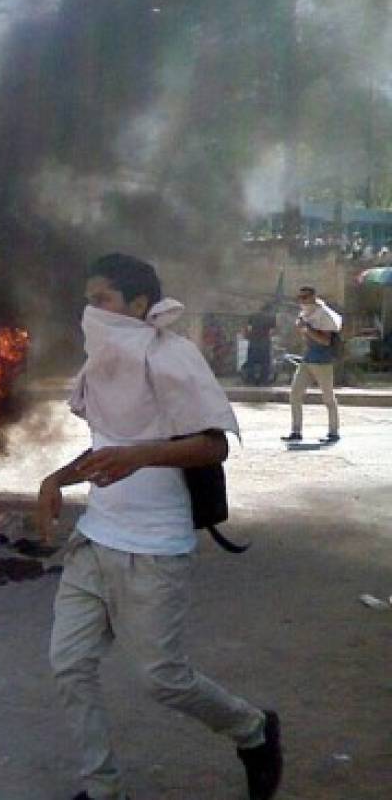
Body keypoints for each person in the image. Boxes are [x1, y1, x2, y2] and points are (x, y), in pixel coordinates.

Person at [37, 253, 282, 800]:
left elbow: (213, 444)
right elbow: (105, 448)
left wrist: (142, 456)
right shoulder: (101, 364)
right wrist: (57, 478)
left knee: (160, 679)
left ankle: (252, 729)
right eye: (88, 298)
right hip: (95, 543)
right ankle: (101, 789)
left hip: (154, 548)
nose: (89, 310)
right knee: (69, 665)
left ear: (138, 304)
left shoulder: (174, 357)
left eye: (101, 299)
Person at [284, 286, 342, 443]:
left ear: (313, 297)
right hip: (308, 359)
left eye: (305, 297)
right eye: (300, 297)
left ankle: (333, 431)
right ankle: (296, 431)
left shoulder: (323, 314)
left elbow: (325, 340)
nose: (302, 300)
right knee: (295, 394)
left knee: (328, 398)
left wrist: (307, 330)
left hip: (322, 361)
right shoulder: (306, 313)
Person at [242, 304, 276, 386]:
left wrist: (248, 336)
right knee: (265, 363)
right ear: (269, 310)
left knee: (251, 362)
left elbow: (248, 328)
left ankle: (250, 380)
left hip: (253, 342)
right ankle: (263, 381)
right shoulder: (271, 318)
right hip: (264, 343)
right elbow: (272, 331)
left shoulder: (253, 316)